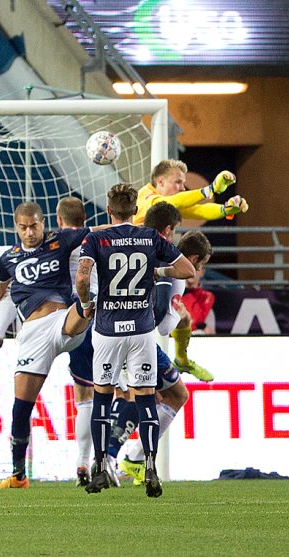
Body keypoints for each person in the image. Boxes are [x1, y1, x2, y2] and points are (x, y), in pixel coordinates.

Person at [76, 187, 195, 498]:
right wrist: (156, 271)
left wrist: (87, 304)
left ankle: (101, 467)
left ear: (108, 209)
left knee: (102, 397)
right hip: (141, 331)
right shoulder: (150, 238)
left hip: (107, 329)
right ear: (135, 209)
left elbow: (82, 278)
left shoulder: (96, 239)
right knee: (145, 398)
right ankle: (151, 468)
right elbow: (188, 269)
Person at [0, 201, 95, 489]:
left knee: (85, 308)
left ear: (43, 222)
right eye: (23, 228)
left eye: (34, 226)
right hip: (33, 335)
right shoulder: (10, 258)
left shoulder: (59, 240)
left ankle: (91, 306)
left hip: (64, 321)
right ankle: (18, 475)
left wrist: (129, 229)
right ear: (16, 227)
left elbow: (95, 231)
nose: (29, 232)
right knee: (21, 408)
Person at [134, 159, 244, 381]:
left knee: (183, 318)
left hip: (151, 263)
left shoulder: (167, 202)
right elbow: (177, 200)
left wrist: (224, 210)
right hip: (138, 266)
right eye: (178, 182)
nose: (182, 188)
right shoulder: (147, 197)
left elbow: (197, 209)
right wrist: (210, 189)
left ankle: (180, 360)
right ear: (160, 181)